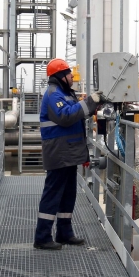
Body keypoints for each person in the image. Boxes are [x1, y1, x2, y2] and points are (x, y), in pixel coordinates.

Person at [34, 58, 102, 250]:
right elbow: (65, 116)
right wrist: (90, 101)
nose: (72, 76)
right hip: (59, 152)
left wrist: (94, 104)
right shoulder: (53, 94)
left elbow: (77, 113)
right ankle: (42, 237)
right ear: (60, 76)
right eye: (68, 73)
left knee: (68, 193)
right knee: (53, 193)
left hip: (69, 151)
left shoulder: (65, 93)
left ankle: (64, 233)